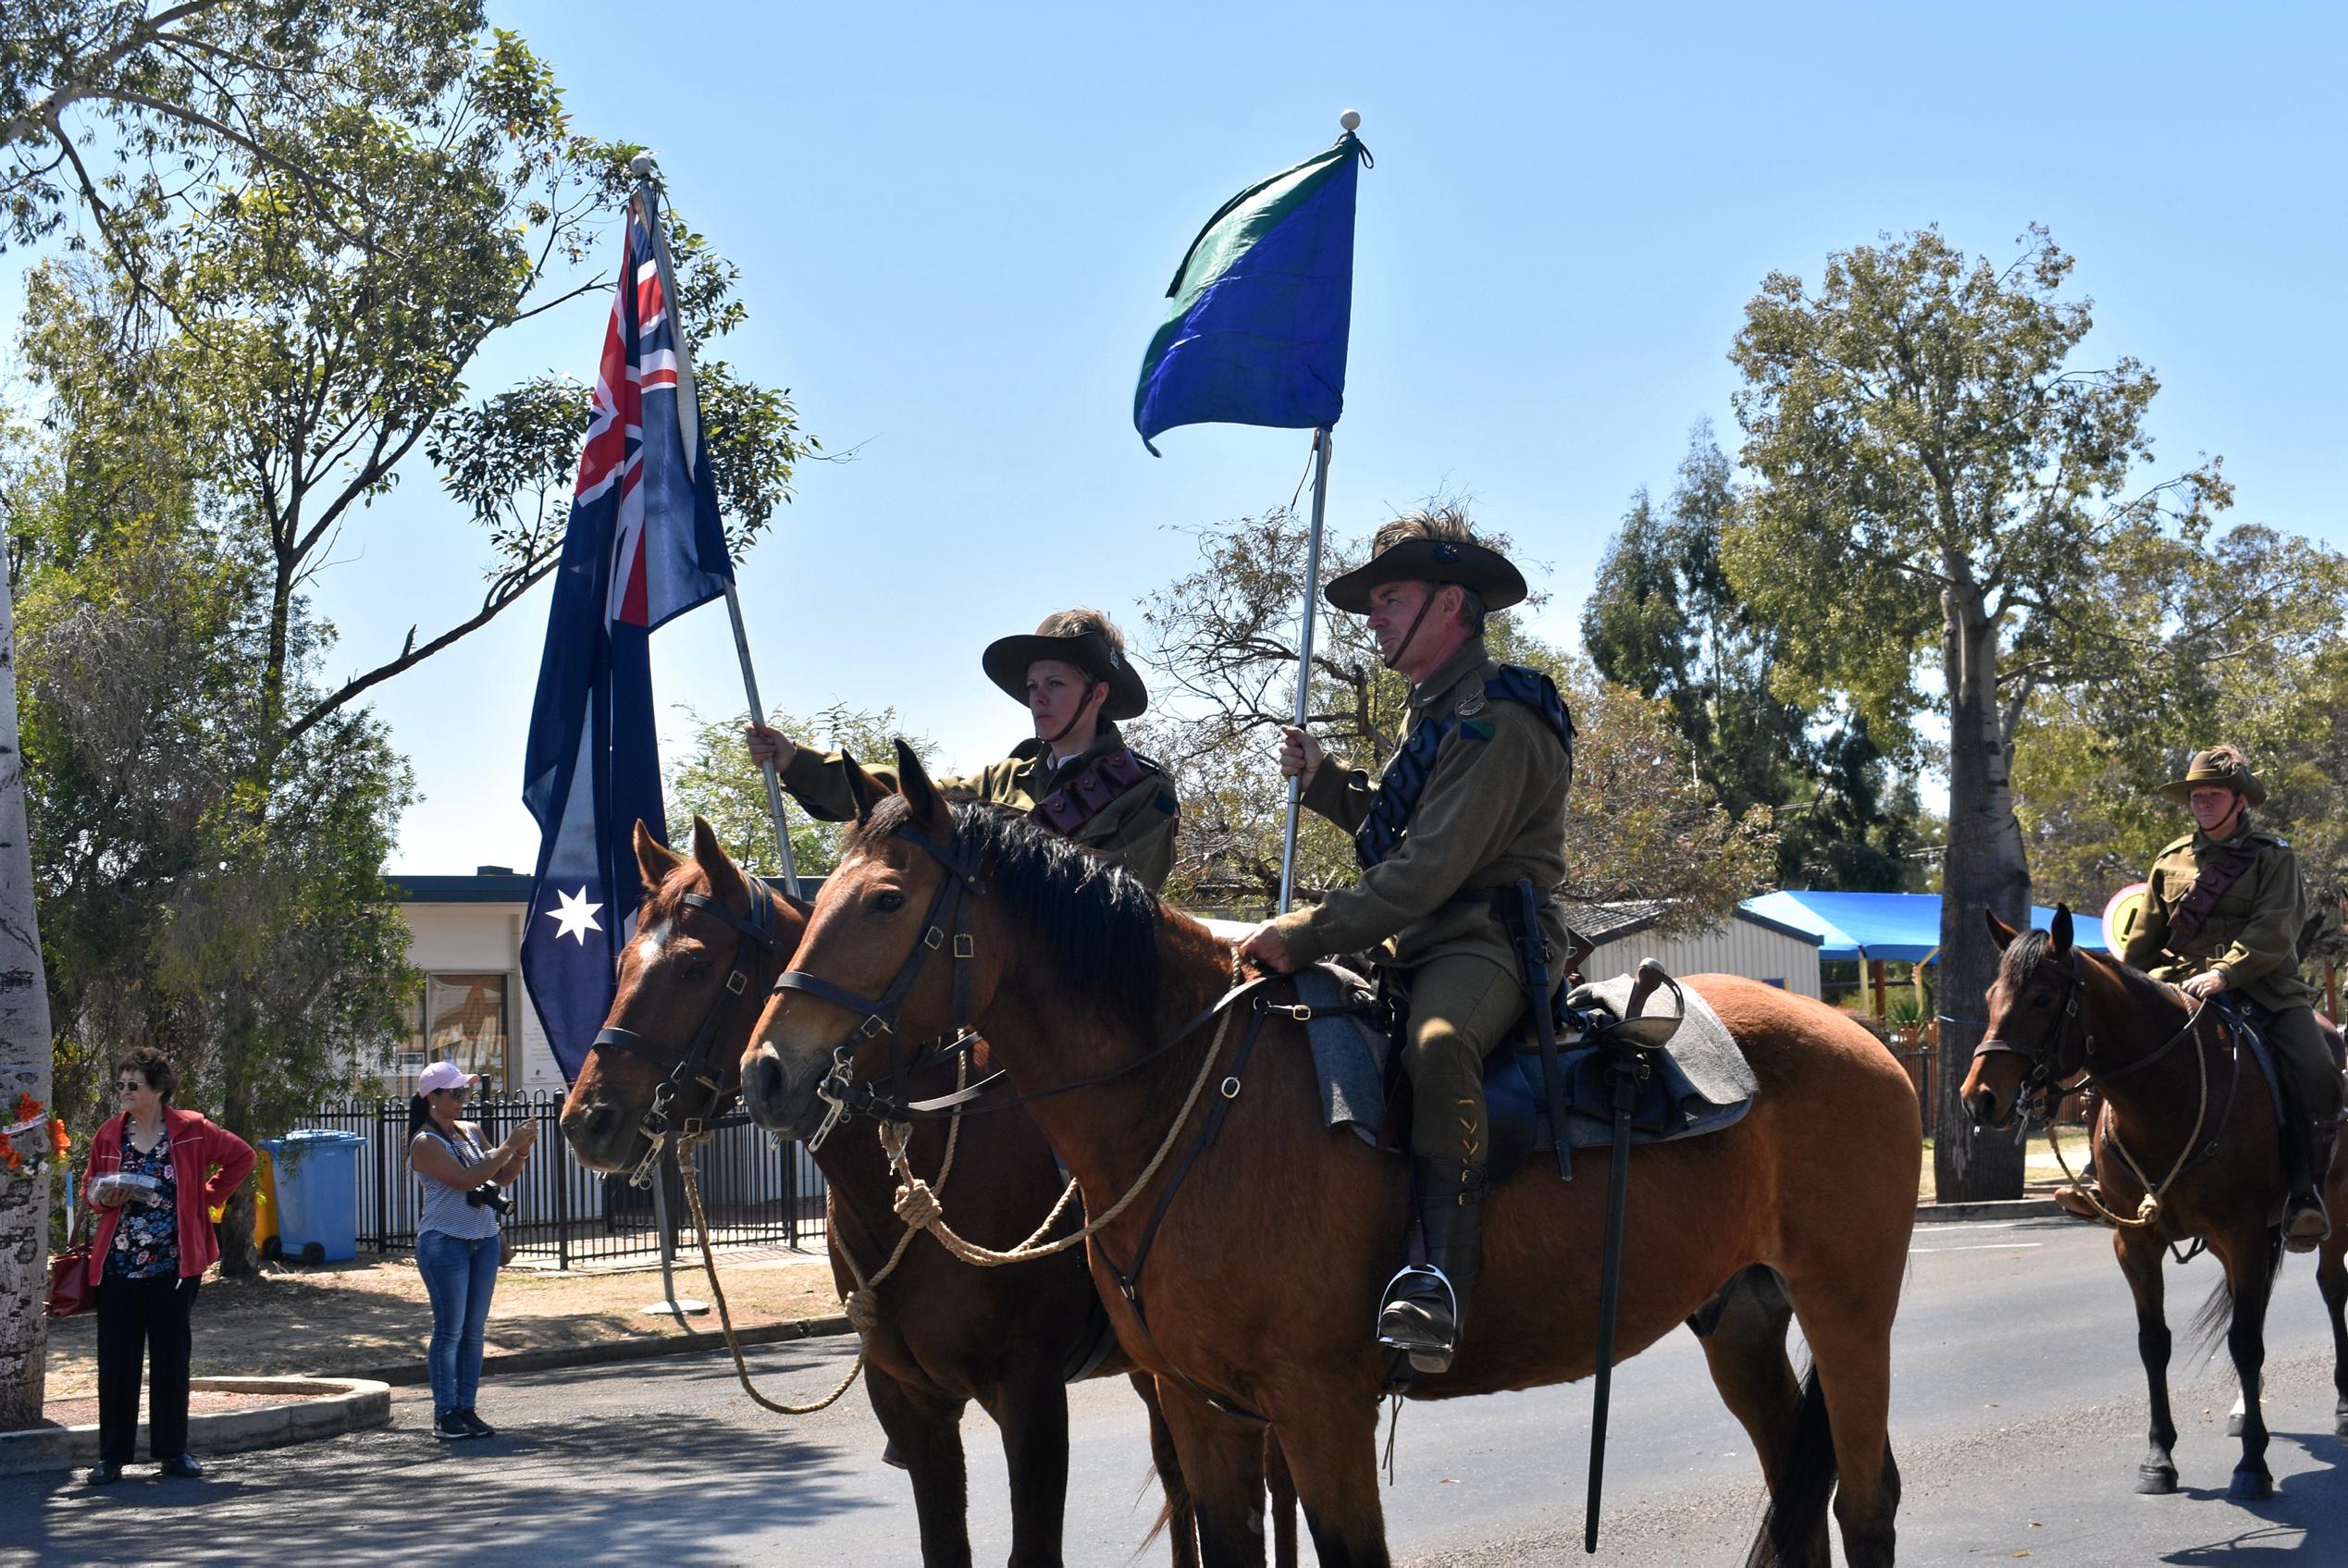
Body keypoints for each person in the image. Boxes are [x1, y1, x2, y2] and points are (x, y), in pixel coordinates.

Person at [1237, 509, 1574, 1373]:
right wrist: (1324, 783)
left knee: (1437, 1044)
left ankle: (1440, 1287)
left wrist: (1305, 931)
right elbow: (1396, 827)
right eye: (1374, 602)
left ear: (1451, 602)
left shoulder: (1500, 718)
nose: (1374, 617)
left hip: (1486, 938)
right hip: (1416, 942)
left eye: (1390, 599)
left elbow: (1425, 871)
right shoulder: (1439, 715)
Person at [747, 607, 1181, 892]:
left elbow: (1124, 908)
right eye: (1032, 686)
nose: (1038, 698)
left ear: (1098, 693)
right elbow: (909, 799)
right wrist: (798, 762)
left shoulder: (1142, 790)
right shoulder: (1004, 778)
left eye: (1055, 684)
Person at [2118, 746, 2342, 1251]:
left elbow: (2274, 930)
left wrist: (2225, 972)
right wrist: (2129, 987)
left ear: (2240, 801)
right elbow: (2143, 940)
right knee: (2107, 1048)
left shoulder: (2273, 855)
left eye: (2214, 794)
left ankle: (2304, 1193)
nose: (2202, 803)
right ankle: (2104, 1175)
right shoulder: (2170, 859)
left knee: (2318, 1072)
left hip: (2262, 988)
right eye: (2197, 795)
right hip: (2175, 985)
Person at [80, 1047, 257, 1486]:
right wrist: (102, 1196)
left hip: (175, 1264)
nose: (123, 1091)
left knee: (171, 1357)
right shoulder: (109, 1134)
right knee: (117, 1360)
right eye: (120, 1084)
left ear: (157, 1090)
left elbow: (242, 1158)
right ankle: (112, 1457)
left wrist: (208, 1198)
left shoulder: (192, 1129)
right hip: (119, 1264)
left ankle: (173, 1452)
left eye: (132, 1084)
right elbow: (89, 1185)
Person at [407, 1061, 536, 1440]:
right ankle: (445, 1412)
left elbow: (500, 1177)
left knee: (474, 1332)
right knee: (449, 1331)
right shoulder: (425, 1142)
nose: (464, 1099)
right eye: (456, 1093)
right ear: (433, 1098)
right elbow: (467, 1179)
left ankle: (466, 1408)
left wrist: (521, 1152)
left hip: (482, 1241)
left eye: (466, 1092)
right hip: (445, 1242)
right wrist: (508, 1145)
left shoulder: (470, 1132)